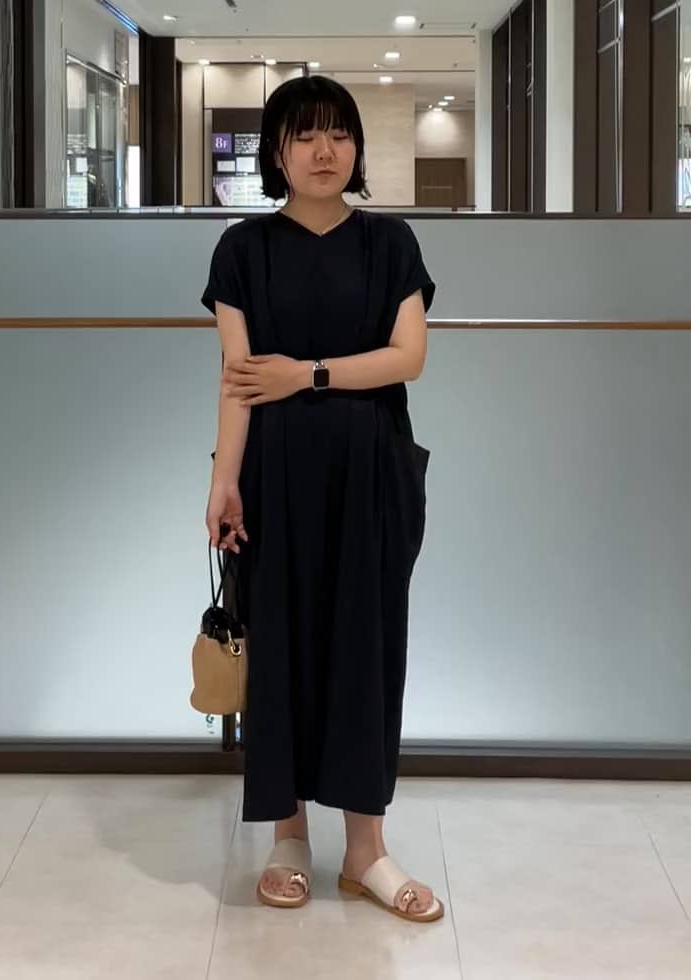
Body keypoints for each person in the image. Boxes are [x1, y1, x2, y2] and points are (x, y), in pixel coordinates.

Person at [202, 75, 443, 923]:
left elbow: (408, 358)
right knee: (281, 646)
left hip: (370, 468)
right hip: (274, 475)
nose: (323, 150)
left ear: (357, 147)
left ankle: (367, 852)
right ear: (276, 151)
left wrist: (306, 374)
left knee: (368, 649)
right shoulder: (243, 250)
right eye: (304, 135)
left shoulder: (390, 242)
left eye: (338, 133)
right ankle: (289, 839)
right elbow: (238, 381)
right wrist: (223, 479)